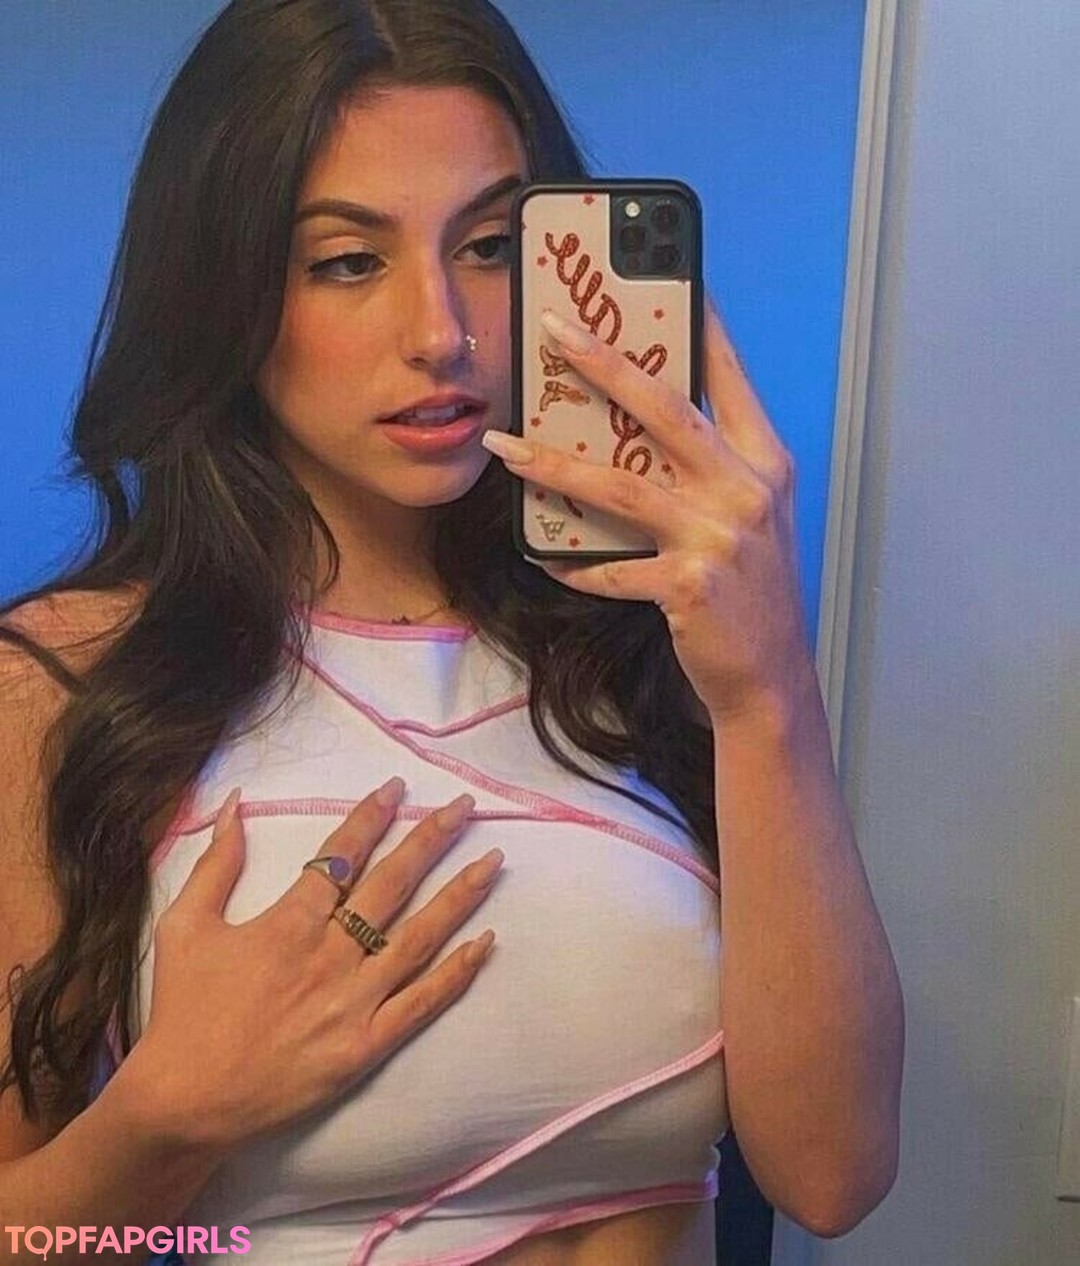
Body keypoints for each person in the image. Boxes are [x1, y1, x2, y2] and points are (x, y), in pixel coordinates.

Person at [0, 1, 905, 1263]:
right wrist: (167, 1115)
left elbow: (834, 1172)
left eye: (487, 246)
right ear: (223, 289)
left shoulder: (656, 636)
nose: (440, 332)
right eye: (346, 261)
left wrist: (771, 694)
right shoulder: (65, 680)